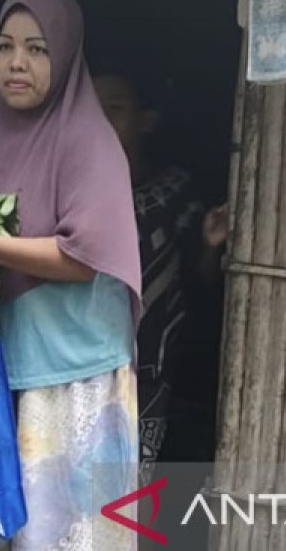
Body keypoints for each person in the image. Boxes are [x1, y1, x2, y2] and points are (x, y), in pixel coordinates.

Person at [0, 0, 142, 551]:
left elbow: (79, 258)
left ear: (66, 56)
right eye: (5, 46)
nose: (17, 62)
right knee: (3, 535)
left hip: (76, 378)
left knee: (69, 538)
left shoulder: (89, 142)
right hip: (3, 374)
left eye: (38, 49)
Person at [93, 68, 227, 482]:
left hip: (156, 372)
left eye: (114, 109)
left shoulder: (173, 191)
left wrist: (209, 246)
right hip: (81, 363)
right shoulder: (74, 191)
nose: (101, 120)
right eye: (92, 109)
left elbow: (198, 282)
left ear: (146, 119)